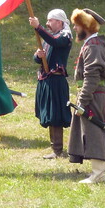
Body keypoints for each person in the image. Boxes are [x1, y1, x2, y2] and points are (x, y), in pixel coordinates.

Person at [70, 8, 105, 183]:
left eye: (77, 25)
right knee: (92, 130)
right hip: (93, 94)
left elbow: (92, 76)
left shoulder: (94, 46)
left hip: (94, 95)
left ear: (85, 25)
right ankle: (99, 170)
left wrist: (82, 101)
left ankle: (98, 173)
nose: (75, 28)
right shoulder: (92, 43)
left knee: (94, 130)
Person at [28, 9, 73, 158]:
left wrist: (38, 27)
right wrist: (38, 55)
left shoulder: (65, 36)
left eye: (50, 20)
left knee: (55, 115)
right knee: (48, 114)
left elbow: (55, 42)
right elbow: (40, 57)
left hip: (56, 80)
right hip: (46, 79)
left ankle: (57, 150)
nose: (47, 24)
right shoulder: (50, 37)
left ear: (59, 22)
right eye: (46, 21)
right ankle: (55, 148)